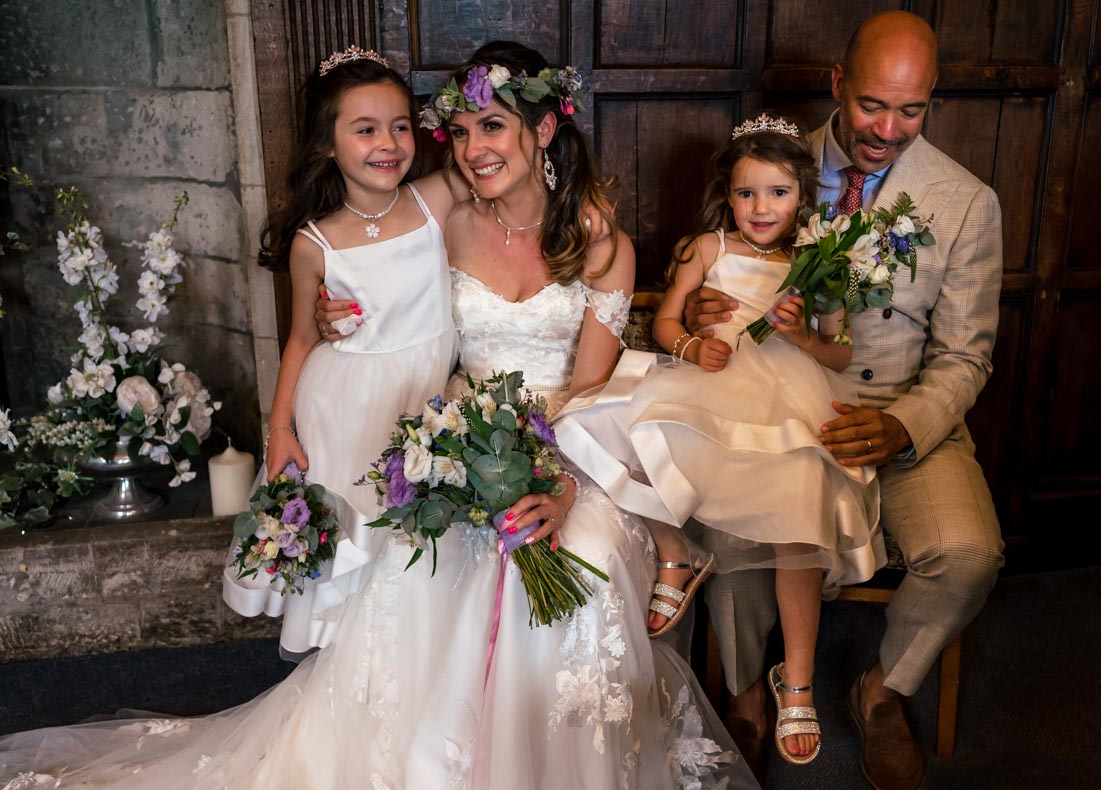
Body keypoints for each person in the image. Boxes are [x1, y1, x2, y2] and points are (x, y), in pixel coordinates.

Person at [0, 44, 758, 789]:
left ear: (545, 129)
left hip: (576, 447)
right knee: (422, 564)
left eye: (492, 127)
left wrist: (558, 488)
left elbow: (590, 393)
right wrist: (333, 319)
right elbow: (377, 267)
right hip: (461, 437)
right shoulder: (448, 217)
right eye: (458, 132)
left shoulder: (601, 243)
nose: (472, 149)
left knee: (575, 571)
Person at [683, 11, 1005, 790]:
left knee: (969, 553)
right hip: (770, 407)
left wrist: (901, 426)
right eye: (871, 104)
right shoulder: (773, 165)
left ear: (931, 102)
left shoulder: (967, 202)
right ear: (836, 85)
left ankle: (884, 690)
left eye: (911, 109)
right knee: (722, 529)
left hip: (897, 416)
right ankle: (749, 692)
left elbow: (967, 357)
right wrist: (697, 312)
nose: (887, 129)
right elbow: (714, 266)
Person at [553, 116, 884, 766]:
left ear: (802, 197)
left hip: (789, 394)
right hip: (712, 382)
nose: (762, 208)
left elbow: (840, 355)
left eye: (778, 193)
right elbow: (667, 317)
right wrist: (688, 346)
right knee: (598, 420)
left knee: (800, 513)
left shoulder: (820, 261)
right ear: (728, 195)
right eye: (747, 193)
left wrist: (798, 335)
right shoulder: (708, 248)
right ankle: (678, 549)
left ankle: (797, 680)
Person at [218, 46, 459, 657]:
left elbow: (501, 165)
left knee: (416, 542)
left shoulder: (437, 199)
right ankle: (354, 663)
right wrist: (279, 431)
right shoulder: (314, 242)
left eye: (400, 126)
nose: (389, 142)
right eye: (366, 129)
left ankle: (412, 665)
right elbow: (302, 338)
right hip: (345, 407)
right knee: (362, 541)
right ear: (327, 143)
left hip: (424, 399)